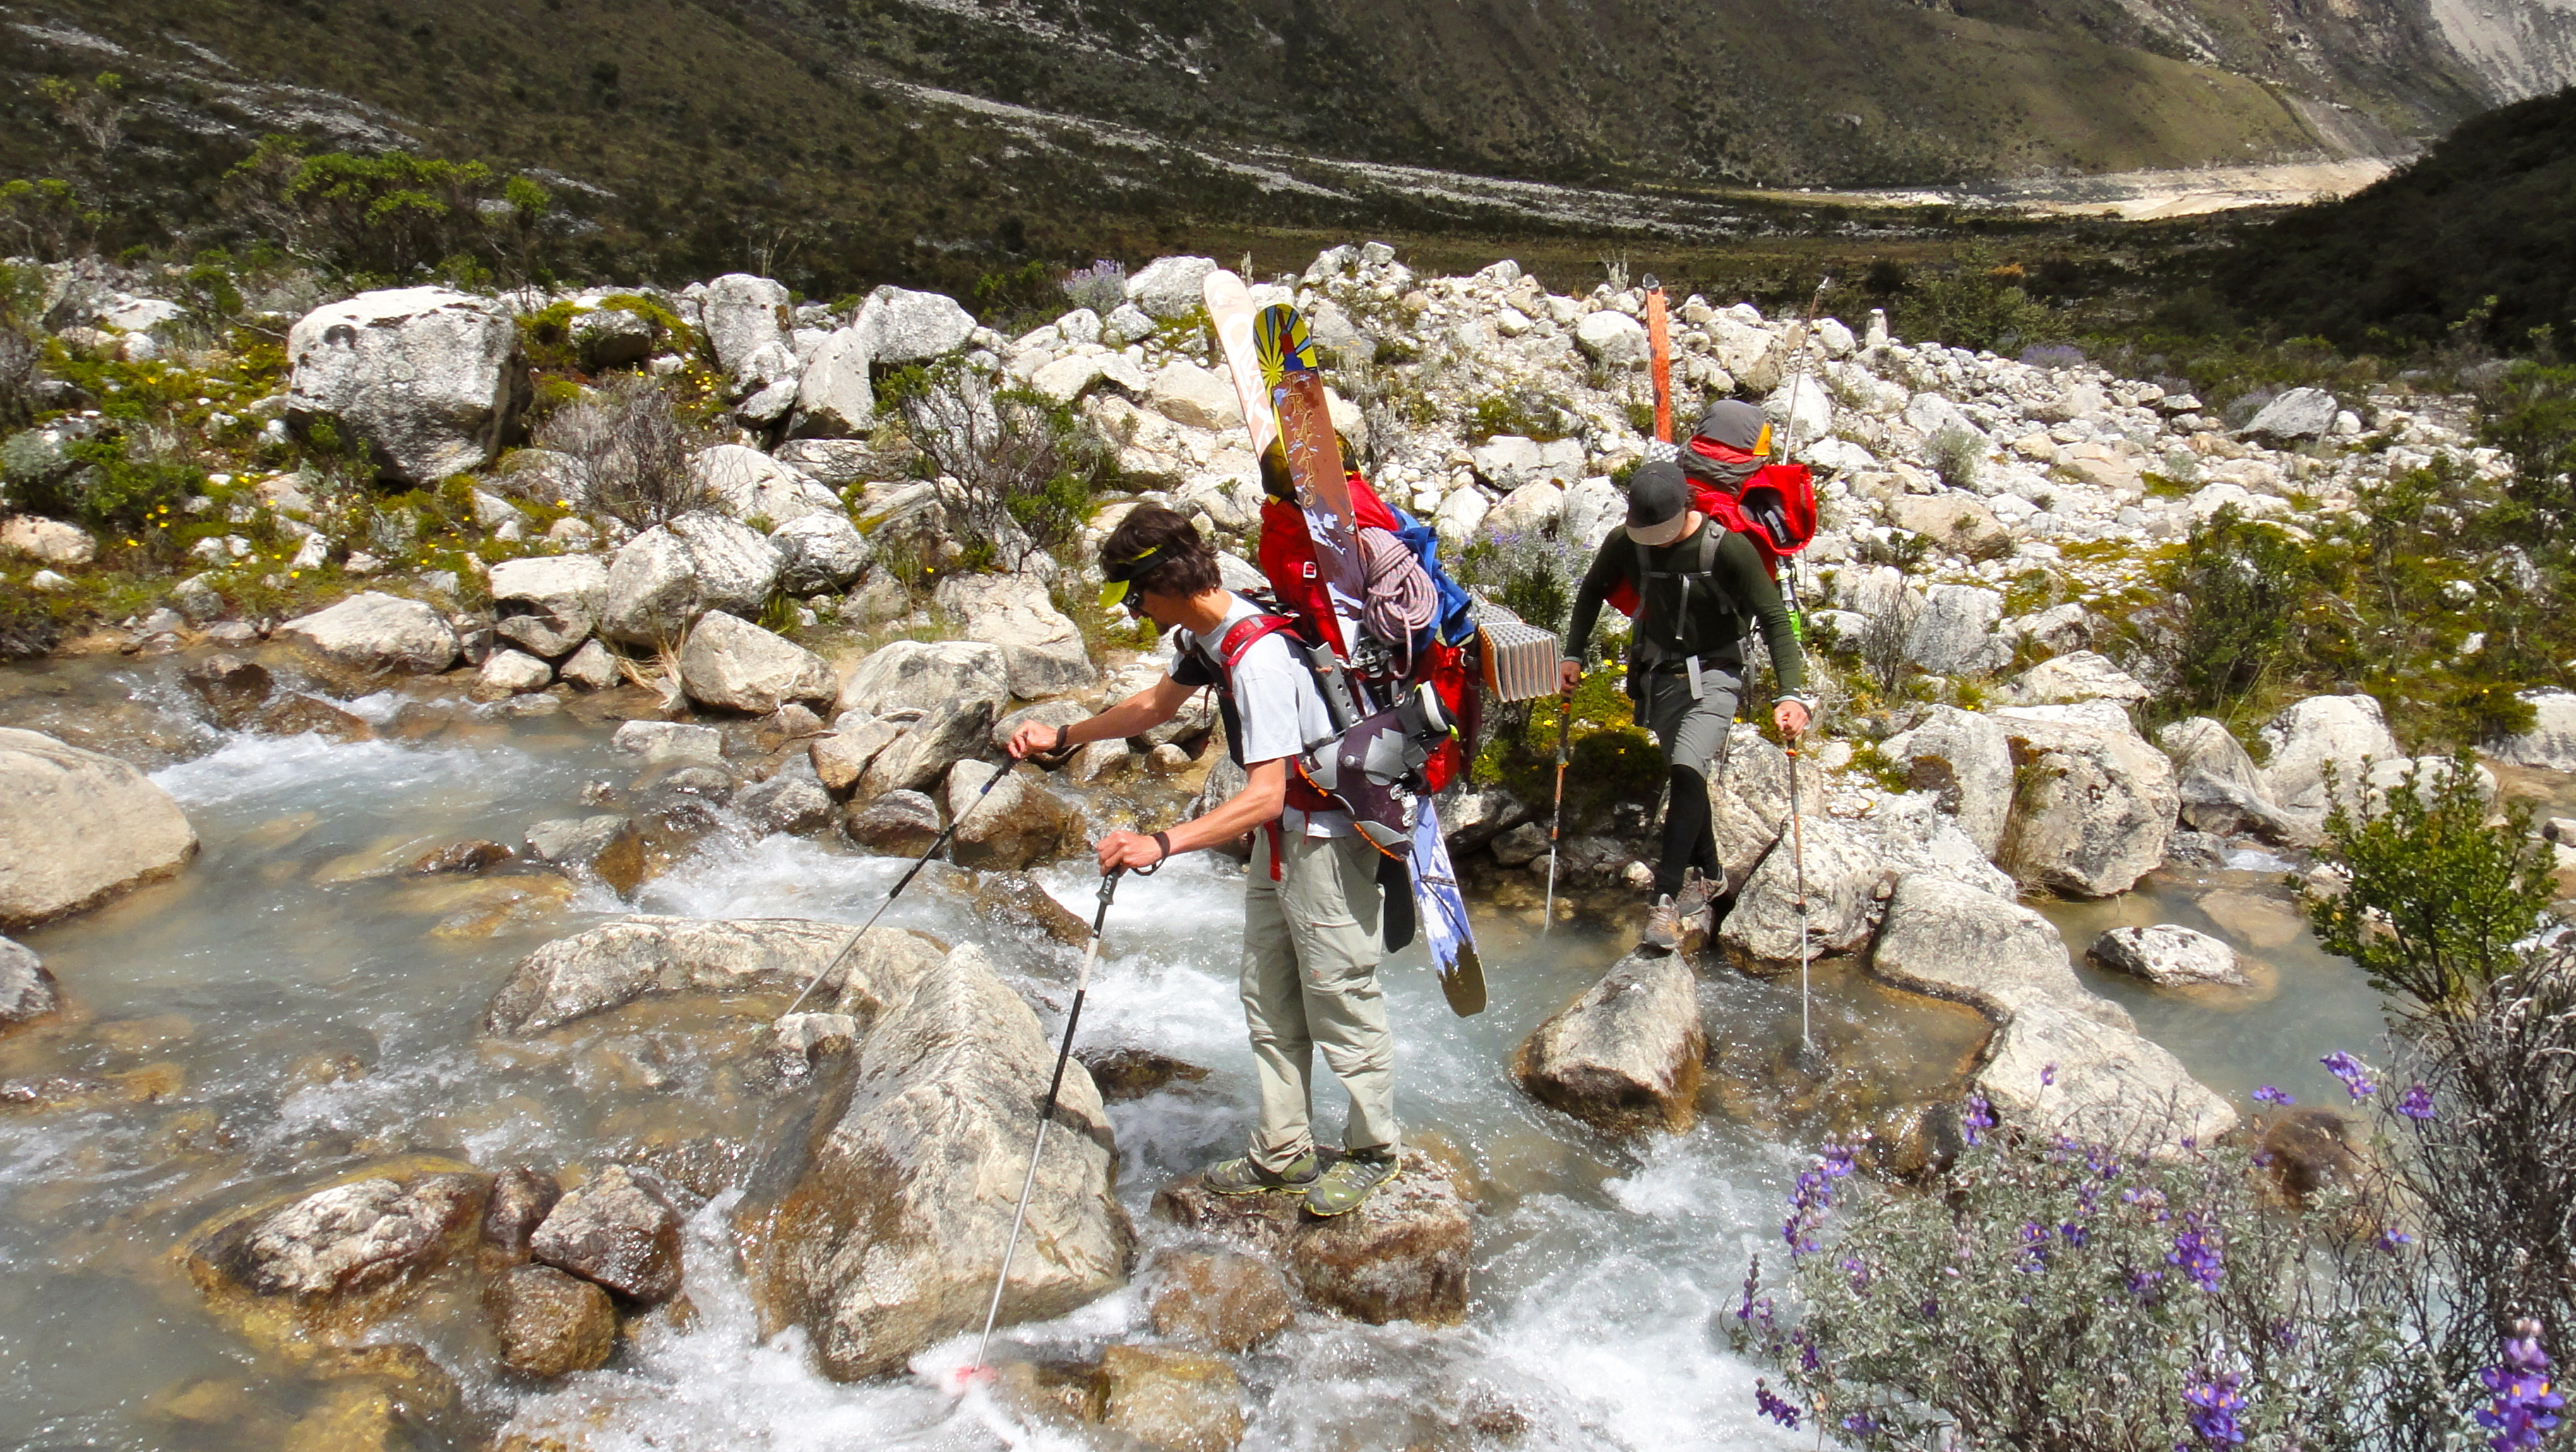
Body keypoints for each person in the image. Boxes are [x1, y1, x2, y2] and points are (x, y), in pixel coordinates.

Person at [1006, 504, 1402, 1216]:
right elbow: (1155, 705)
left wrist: (1159, 844)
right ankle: (1285, 1150)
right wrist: (1059, 734)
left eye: (1137, 597)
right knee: (1268, 994)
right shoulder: (1211, 636)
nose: (1135, 613)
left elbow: (1263, 793)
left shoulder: (1257, 658)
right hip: (1284, 842)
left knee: (1340, 995)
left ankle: (1375, 1151)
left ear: (1167, 580)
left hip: (1327, 842)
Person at [1559, 422, 1813, 952]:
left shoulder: (1729, 549)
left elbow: (1774, 618)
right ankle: (1713, 872)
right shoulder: (1626, 541)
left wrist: (1792, 693)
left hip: (1716, 674)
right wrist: (1574, 653)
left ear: (1684, 511)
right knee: (1689, 778)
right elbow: (1591, 590)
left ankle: (1666, 900)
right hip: (1659, 678)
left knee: (1684, 769)